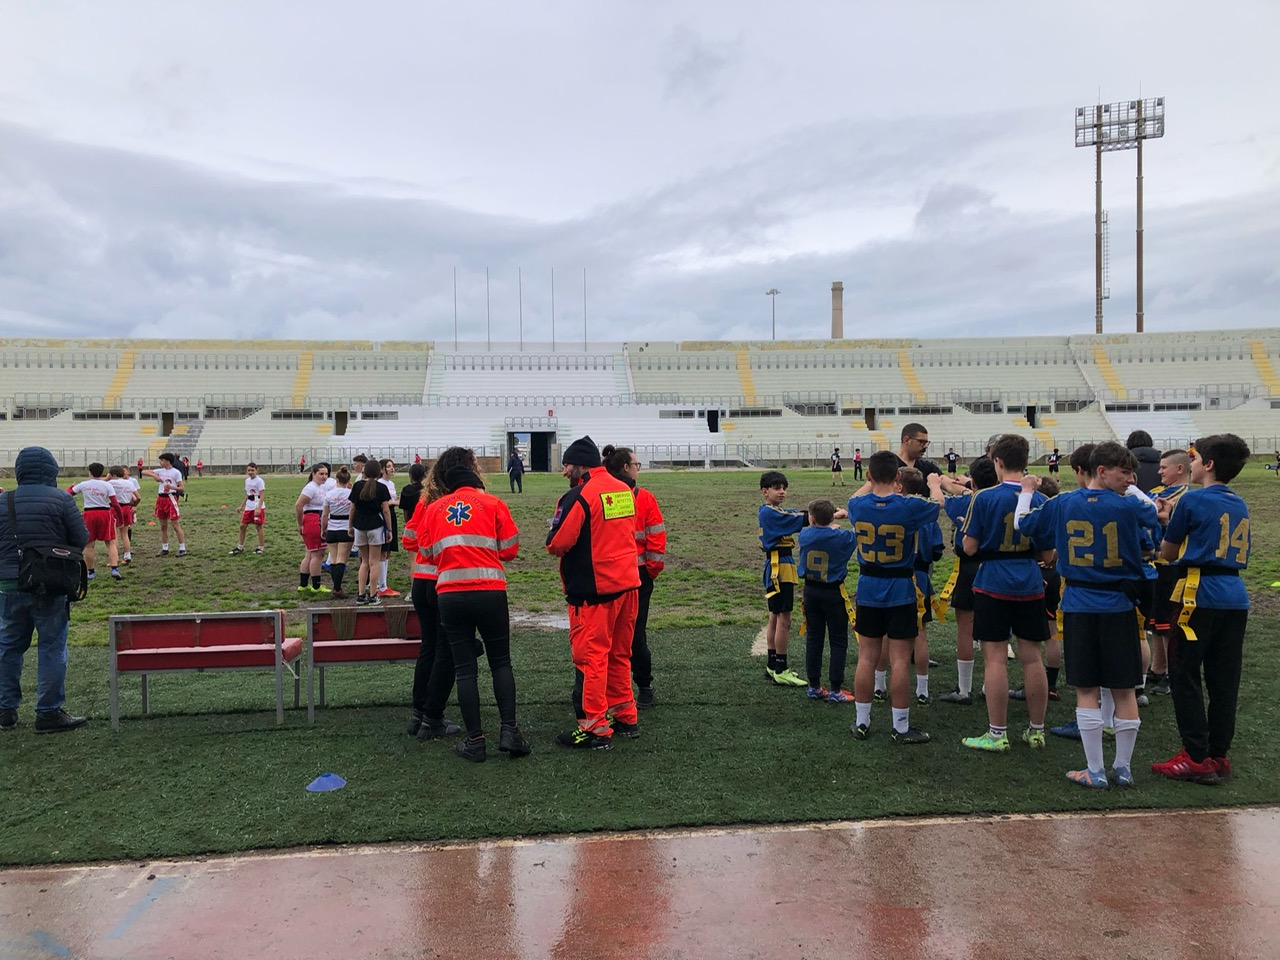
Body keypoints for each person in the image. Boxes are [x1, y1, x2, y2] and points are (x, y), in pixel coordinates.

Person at [1017, 441, 1158, 789]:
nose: (1130, 479)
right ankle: (1122, 768)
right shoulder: (1129, 506)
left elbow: (1024, 524)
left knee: (1087, 689)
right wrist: (1133, 491)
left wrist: (1026, 493)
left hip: (1080, 603)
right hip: (1119, 605)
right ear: (1102, 471)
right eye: (1124, 472)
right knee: (1123, 689)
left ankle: (1095, 770)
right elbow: (1152, 519)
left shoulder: (1063, 502)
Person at [1151, 434, 1252, 785]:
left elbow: (1168, 552)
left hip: (1198, 592)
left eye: (1194, 459)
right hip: (1235, 595)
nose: (1191, 464)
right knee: (1224, 678)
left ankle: (1194, 755)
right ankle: (1218, 753)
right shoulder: (1239, 502)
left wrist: (1167, 522)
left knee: (1184, 671)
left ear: (1208, 464)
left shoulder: (1192, 500)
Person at [420, 447, 529, 763]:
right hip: (489, 591)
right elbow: (510, 549)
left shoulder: (435, 508)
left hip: (450, 594)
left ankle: (475, 741)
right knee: (501, 663)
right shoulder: (493, 504)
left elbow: (426, 552)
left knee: (465, 669)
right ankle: (509, 731)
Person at [547, 435, 641, 750]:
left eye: (566, 466)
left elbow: (557, 543)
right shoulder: (623, 489)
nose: (564, 472)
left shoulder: (578, 495)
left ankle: (594, 728)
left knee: (592, 658)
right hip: (627, 586)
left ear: (580, 465)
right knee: (619, 654)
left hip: (595, 592)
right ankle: (625, 716)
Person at [959, 433, 1050, 754]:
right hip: (1029, 581)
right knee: (1032, 656)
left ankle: (997, 733)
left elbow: (969, 547)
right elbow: (1048, 554)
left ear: (997, 461)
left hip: (993, 582)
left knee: (995, 658)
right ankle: (1036, 731)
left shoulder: (984, 497)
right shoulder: (1040, 499)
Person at [847, 451, 943, 744]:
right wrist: (934, 483)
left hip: (868, 587)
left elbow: (856, 497)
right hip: (900, 588)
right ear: (898, 476)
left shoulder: (857, 505)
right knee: (900, 660)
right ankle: (900, 727)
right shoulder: (910, 506)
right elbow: (938, 504)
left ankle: (862, 721)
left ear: (868, 475)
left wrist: (871, 481)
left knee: (867, 657)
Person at [0, 446, 91, 733]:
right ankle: (48, 712)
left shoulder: (4, 500)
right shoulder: (61, 499)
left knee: (8, 647)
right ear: (51, 470)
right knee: (52, 647)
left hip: (9, 583)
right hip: (50, 583)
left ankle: (5, 709)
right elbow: (82, 538)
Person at [402, 454, 461, 742]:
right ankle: (432, 717)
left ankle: (418, 712)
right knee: (445, 651)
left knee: (428, 647)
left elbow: (408, 538)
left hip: (421, 581)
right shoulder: (453, 502)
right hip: (442, 581)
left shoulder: (425, 500)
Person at [603, 445, 666, 708]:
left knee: (606, 635)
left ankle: (605, 690)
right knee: (635, 634)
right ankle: (643, 687)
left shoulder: (602, 495)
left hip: (608, 574)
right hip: (637, 576)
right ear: (626, 468)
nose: (638, 469)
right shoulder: (644, 498)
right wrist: (650, 571)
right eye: (636, 465)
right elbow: (657, 539)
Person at [933, 456, 998, 706]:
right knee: (995, 632)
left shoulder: (965, 502)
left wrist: (938, 484)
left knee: (965, 629)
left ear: (973, 481)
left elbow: (942, 502)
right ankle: (990, 686)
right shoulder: (1007, 500)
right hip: (998, 567)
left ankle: (964, 688)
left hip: (969, 568)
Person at [797, 498, 857, 703]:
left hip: (810, 592)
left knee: (814, 639)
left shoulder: (805, 535)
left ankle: (814, 686)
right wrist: (842, 518)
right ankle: (836, 689)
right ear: (831, 518)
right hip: (833, 592)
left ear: (812, 518)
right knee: (838, 641)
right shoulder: (843, 537)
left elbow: (818, 530)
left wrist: (830, 523)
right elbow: (858, 530)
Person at [1145, 449, 1193, 698]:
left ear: (1180, 469)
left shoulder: (1187, 498)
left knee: (1168, 623)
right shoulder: (1156, 492)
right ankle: (1158, 667)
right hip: (1155, 564)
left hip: (1173, 566)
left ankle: (1173, 675)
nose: (1159, 471)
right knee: (1156, 621)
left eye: (1164, 467)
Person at [757, 470, 808, 687]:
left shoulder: (773, 511)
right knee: (783, 619)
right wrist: (826, 514)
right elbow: (798, 518)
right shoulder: (770, 513)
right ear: (764, 491)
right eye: (777, 488)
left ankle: (772, 665)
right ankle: (781, 668)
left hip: (777, 566)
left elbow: (794, 513)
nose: (782, 492)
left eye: (784, 488)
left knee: (775, 616)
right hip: (780, 568)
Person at [67, 462, 123, 581]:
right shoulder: (107, 485)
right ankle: (114, 569)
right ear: (102, 472)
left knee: (89, 544)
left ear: (90, 472)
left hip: (89, 514)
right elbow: (115, 504)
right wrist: (120, 518)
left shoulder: (83, 484)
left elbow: (67, 495)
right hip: (104, 514)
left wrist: (70, 487)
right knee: (111, 542)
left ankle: (91, 572)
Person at [350, 460, 393, 605]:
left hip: (359, 526)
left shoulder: (357, 486)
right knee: (374, 562)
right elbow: (386, 510)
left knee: (364, 562)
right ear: (379, 471)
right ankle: (373, 594)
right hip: (376, 526)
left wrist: (350, 526)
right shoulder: (381, 488)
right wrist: (389, 529)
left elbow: (352, 508)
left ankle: (361, 594)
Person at [293, 462, 331, 598]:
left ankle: (303, 584)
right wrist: (299, 524)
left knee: (310, 554)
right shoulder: (311, 488)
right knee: (318, 555)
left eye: (326, 474)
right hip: (314, 520)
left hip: (315, 519)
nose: (324, 476)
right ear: (313, 474)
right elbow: (298, 505)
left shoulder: (318, 487)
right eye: (321, 474)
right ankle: (316, 586)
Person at [141, 452, 187, 557]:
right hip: (161, 499)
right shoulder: (160, 471)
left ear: (167, 461)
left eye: (162, 460)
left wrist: (172, 487)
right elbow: (143, 471)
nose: (160, 462)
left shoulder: (175, 472)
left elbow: (181, 488)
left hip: (171, 498)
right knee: (163, 525)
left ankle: (182, 548)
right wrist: (154, 475)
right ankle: (165, 548)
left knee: (175, 524)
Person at [320, 466, 354, 598]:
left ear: (336, 479)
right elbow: (353, 511)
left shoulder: (329, 494)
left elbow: (324, 514)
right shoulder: (350, 494)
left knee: (333, 559)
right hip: (345, 528)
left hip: (332, 528)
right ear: (349, 480)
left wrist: (323, 529)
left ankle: (336, 586)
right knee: (341, 560)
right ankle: (337, 588)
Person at [375, 458, 401, 598]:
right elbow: (381, 504)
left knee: (388, 551)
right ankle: (381, 586)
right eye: (389, 466)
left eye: (393, 466)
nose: (392, 468)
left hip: (392, 516)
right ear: (382, 469)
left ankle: (383, 582)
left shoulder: (391, 483)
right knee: (382, 552)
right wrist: (393, 502)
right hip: (383, 516)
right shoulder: (379, 484)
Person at [230, 462, 266, 555]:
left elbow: (262, 495)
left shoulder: (259, 481)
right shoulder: (247, 481)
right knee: (242, 525)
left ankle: (261, 547)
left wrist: (259, 508)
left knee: (258, 526)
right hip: (249, 506)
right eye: (249, 470)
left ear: (256, 470)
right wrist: (241, 506)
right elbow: (247, 494)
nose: (250, 472)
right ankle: (240, 547)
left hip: (257, 505)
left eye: (252, 470)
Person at [107, 465, 139, 566]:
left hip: (115, 508)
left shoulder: (110, 483)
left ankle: (114, 558)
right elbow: (138, 497)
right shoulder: (129, 483)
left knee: (114, 534)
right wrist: (134, 505)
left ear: (113, 475)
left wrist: (107, 478)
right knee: (124, 534)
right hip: (126, 507)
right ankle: (127, 556)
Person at [1126, 430, 1162, 494]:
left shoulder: (1122, 465)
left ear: (1128, 444)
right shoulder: (1163, 465)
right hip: (1158, 498)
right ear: (1150, 443)